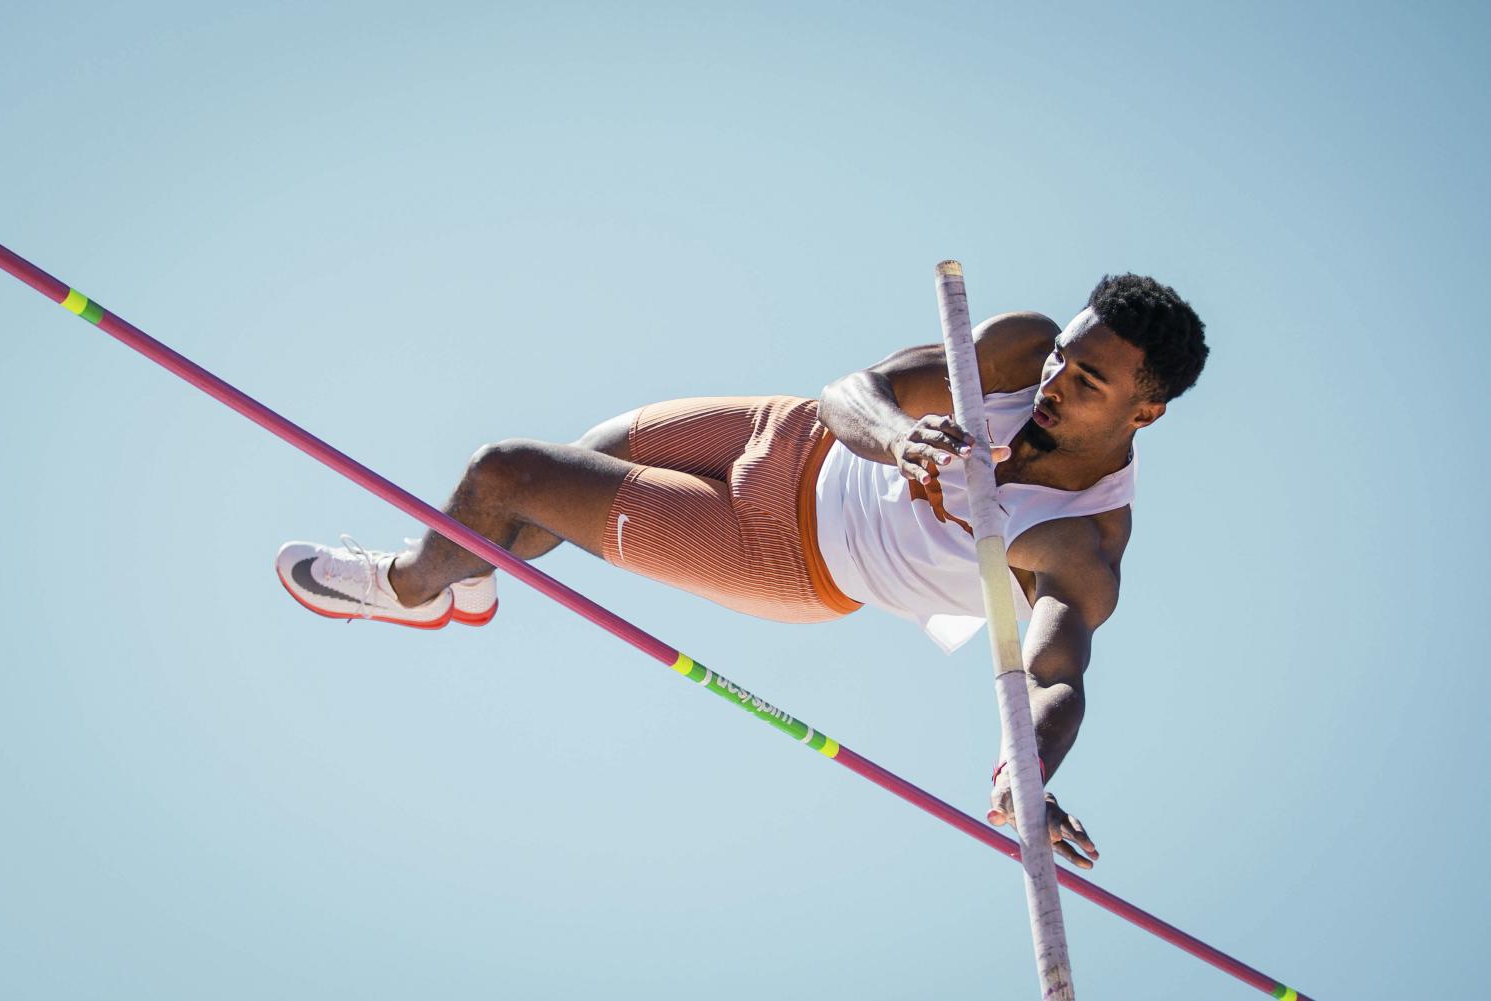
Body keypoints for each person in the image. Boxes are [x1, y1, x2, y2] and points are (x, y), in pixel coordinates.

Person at [276, 273, 1208, 869]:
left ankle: (410, 588)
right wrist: (894, 436)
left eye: (1085, 385)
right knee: (569, 465)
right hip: (786, 431)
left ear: (1146, 413)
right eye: (1061, 361)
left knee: (506, 475)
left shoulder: (1078, 541)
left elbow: (1051, 675)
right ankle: (467, 581)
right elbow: (857, 392)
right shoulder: (1015, 348)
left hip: (786, 555)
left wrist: (1026, 773)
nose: (1050, 385)